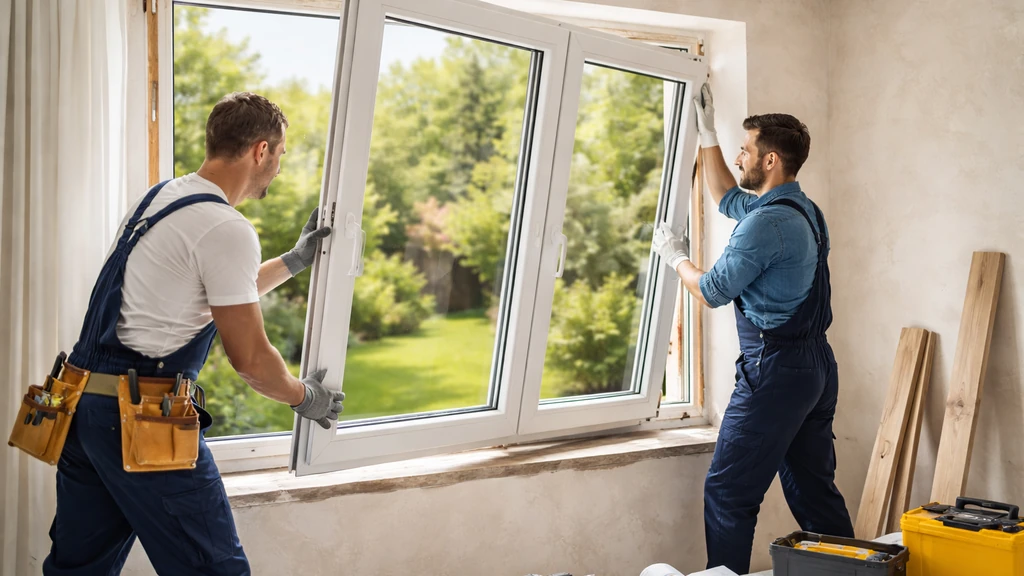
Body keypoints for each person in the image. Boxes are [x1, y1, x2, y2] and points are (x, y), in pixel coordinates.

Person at [43, 92, 343, 575]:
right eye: (281, 155)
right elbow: (250, 360)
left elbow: (210, 295)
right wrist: (303, 396)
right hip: (141, 416)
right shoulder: (226, 227)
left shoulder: (161, 198)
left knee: (79, 568)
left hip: (84, 408)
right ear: (260, 150)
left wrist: (293, 260)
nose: (279, 168)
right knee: (214, 569)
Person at [653, 84, 855, 573]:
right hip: (815, 370)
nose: (739, 155)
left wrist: (676, 257)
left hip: (776, 373)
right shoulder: (800, 209)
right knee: (813, 491)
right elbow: (724, 194)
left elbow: (714, 291)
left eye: (745, 149)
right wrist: (706, 132)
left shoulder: (766, 225)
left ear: (769, 161)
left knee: (728, 493)